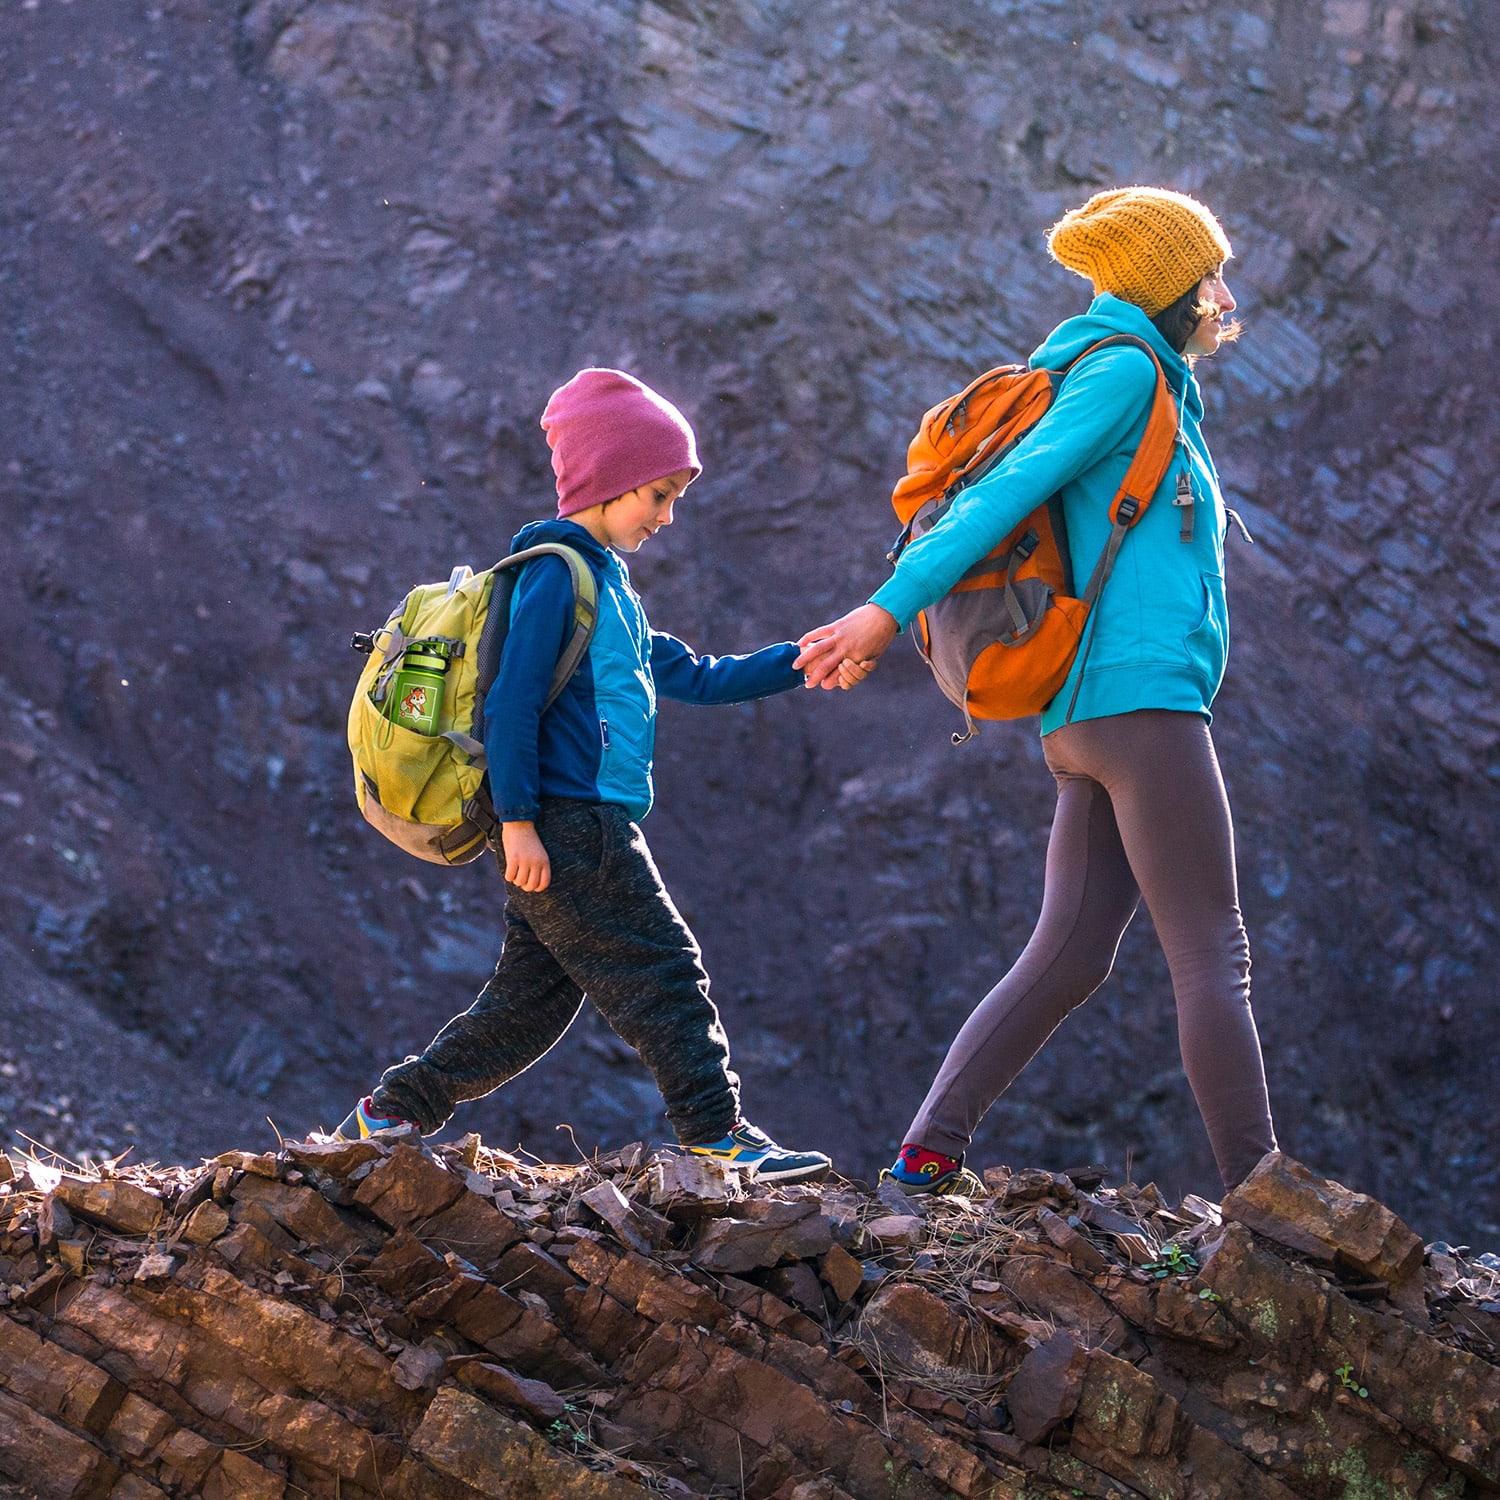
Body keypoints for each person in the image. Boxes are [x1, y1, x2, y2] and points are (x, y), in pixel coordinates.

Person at [796, 186, 1278, 1197]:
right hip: (1140, 707)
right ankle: (1263, 1198)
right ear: (1167, 291)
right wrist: (887, 611)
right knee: (1212, 952)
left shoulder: (1124, 375)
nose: (1225, 295)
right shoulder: (1121, 375)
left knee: (1071, 955)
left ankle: (925, 1159)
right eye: (1208, 279)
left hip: (1088, 718)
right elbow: (995, 503)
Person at [335, 368, 842, 1183]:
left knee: (529, 1005)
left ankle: (389, 1114)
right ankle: (718, 1132)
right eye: (659, 494)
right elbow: (509, 704)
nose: (668, 516)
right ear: (608, 483)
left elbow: (703, 675)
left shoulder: (611, 590)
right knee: (666, 968)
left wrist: (808, 659)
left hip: (574, 822)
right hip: (574, 824)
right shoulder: (554, 576)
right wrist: (521, 823)